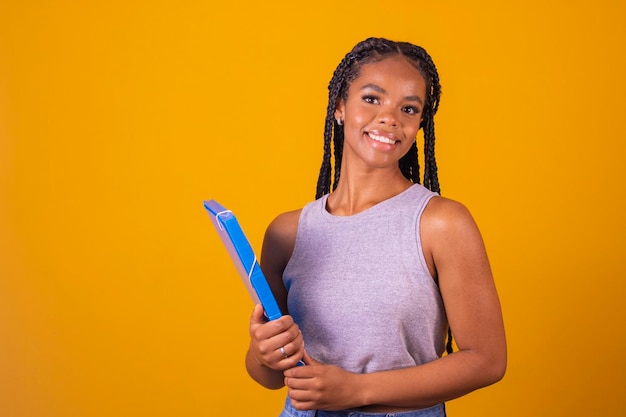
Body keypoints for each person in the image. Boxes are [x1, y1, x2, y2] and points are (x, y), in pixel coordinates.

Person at [245, 37, 507, 417]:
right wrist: (262, 352)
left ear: (420, 124)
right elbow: (267, 377)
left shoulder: (440, 223)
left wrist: (356, 390)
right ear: (339, 107)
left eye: (409, 108)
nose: (390, 118)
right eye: (371, 99)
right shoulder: (287, 233)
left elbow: (487, 360)